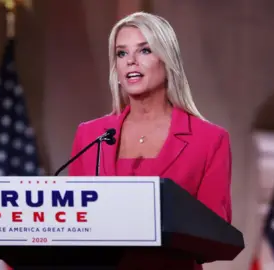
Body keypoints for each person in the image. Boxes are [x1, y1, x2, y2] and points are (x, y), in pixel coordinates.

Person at [68, 11, 232, 270]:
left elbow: (213, 235)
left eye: (144, 51)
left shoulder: (210, 140)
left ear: (167, 61)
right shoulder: (91, 136)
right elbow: (74, 221)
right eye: (121, 54)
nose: (131, 61)